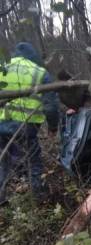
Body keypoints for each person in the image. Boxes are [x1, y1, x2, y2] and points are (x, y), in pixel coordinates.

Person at [0, 42, 59, 204]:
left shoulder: (2, 68)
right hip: (25, 127)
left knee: (2, 164)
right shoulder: (40, 72)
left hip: (0, 125)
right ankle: (38, 198)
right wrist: (53, 126)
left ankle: (1, 201)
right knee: (33, 163)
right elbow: (51, 105)